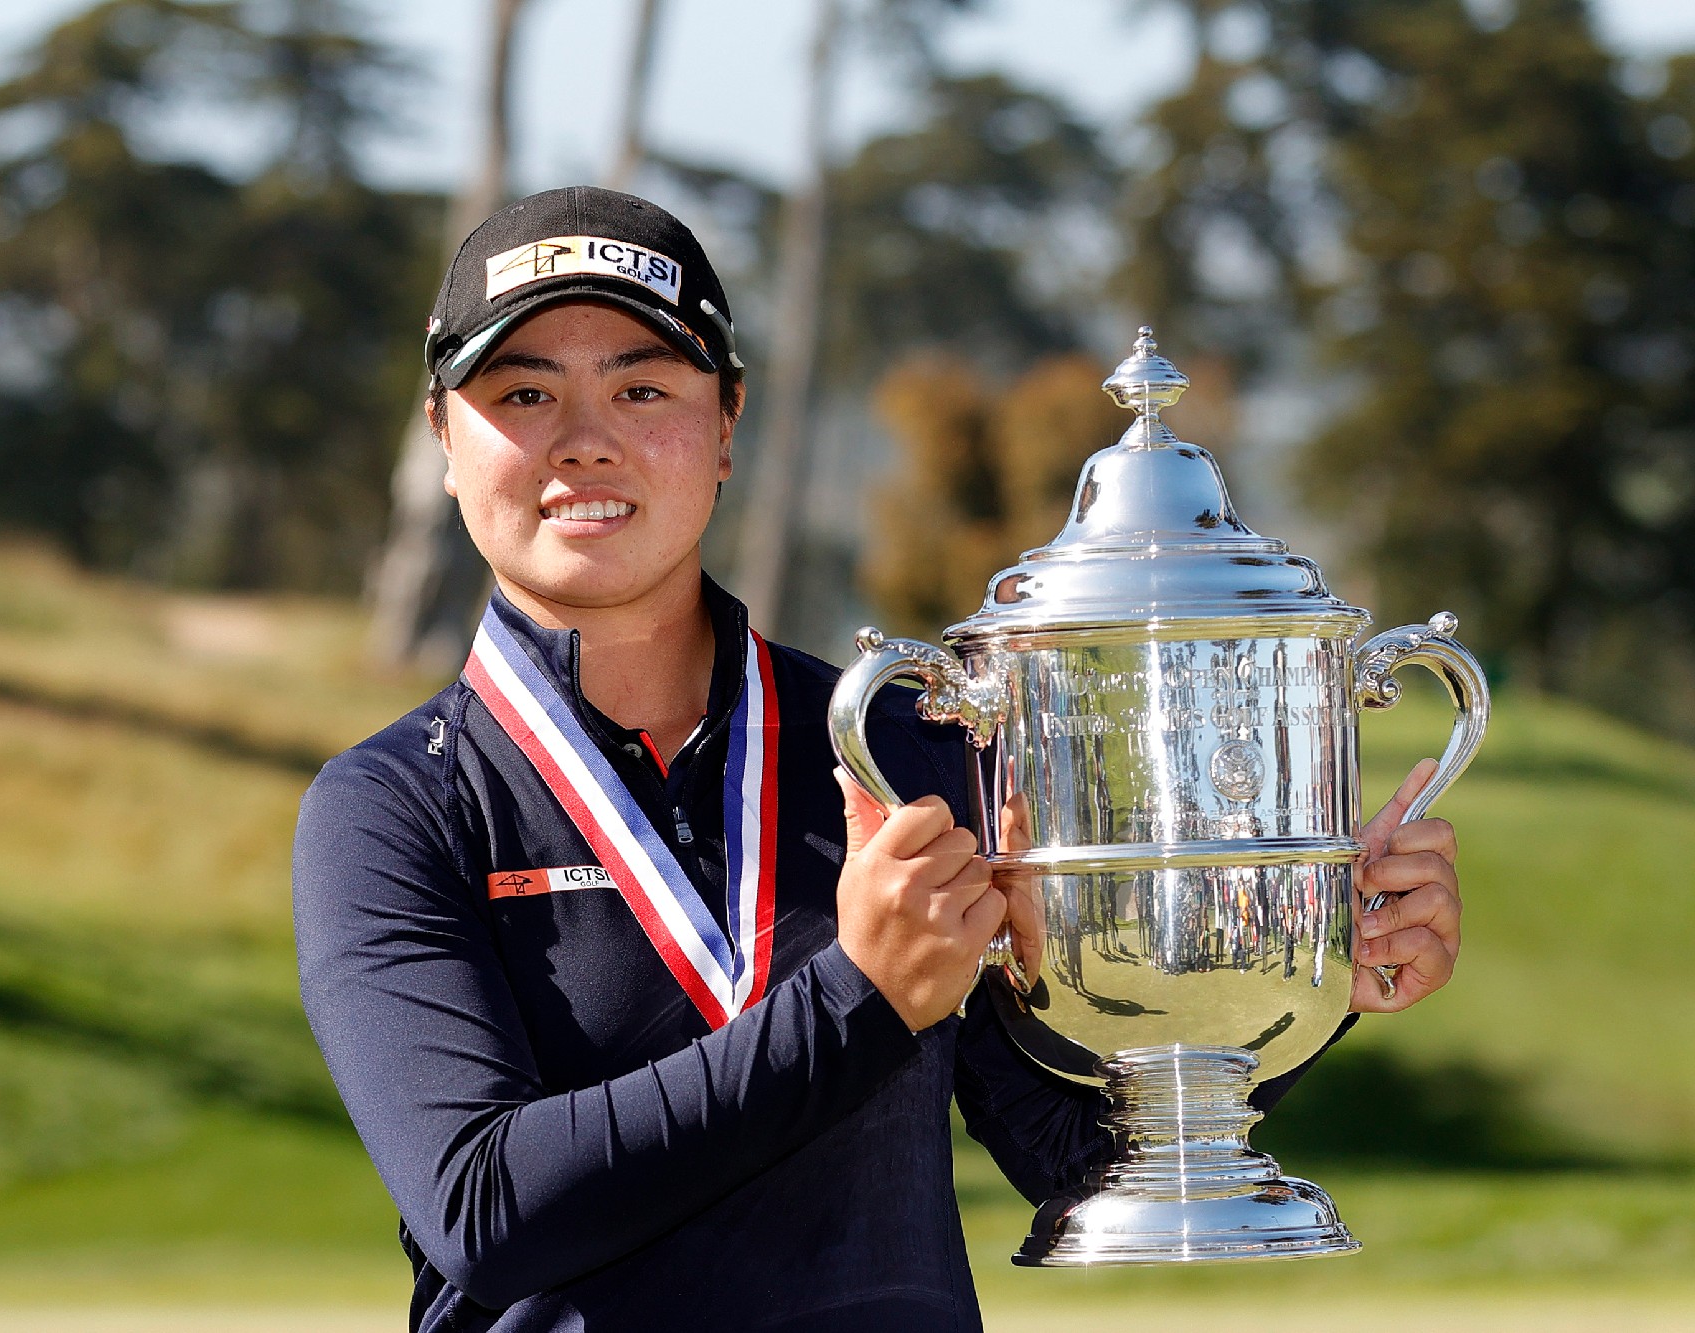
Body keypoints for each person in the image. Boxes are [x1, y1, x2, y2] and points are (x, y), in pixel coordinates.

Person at [293, 186, 1464, 1332]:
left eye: (641, 386)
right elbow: (484, 1209)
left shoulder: (900, 747)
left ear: (724, 427)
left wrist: (1303, 973)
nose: (584, 442)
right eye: (523, 392)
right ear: (445, 437)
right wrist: (860, 996)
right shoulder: (393, 808)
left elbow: (1074, 1154)